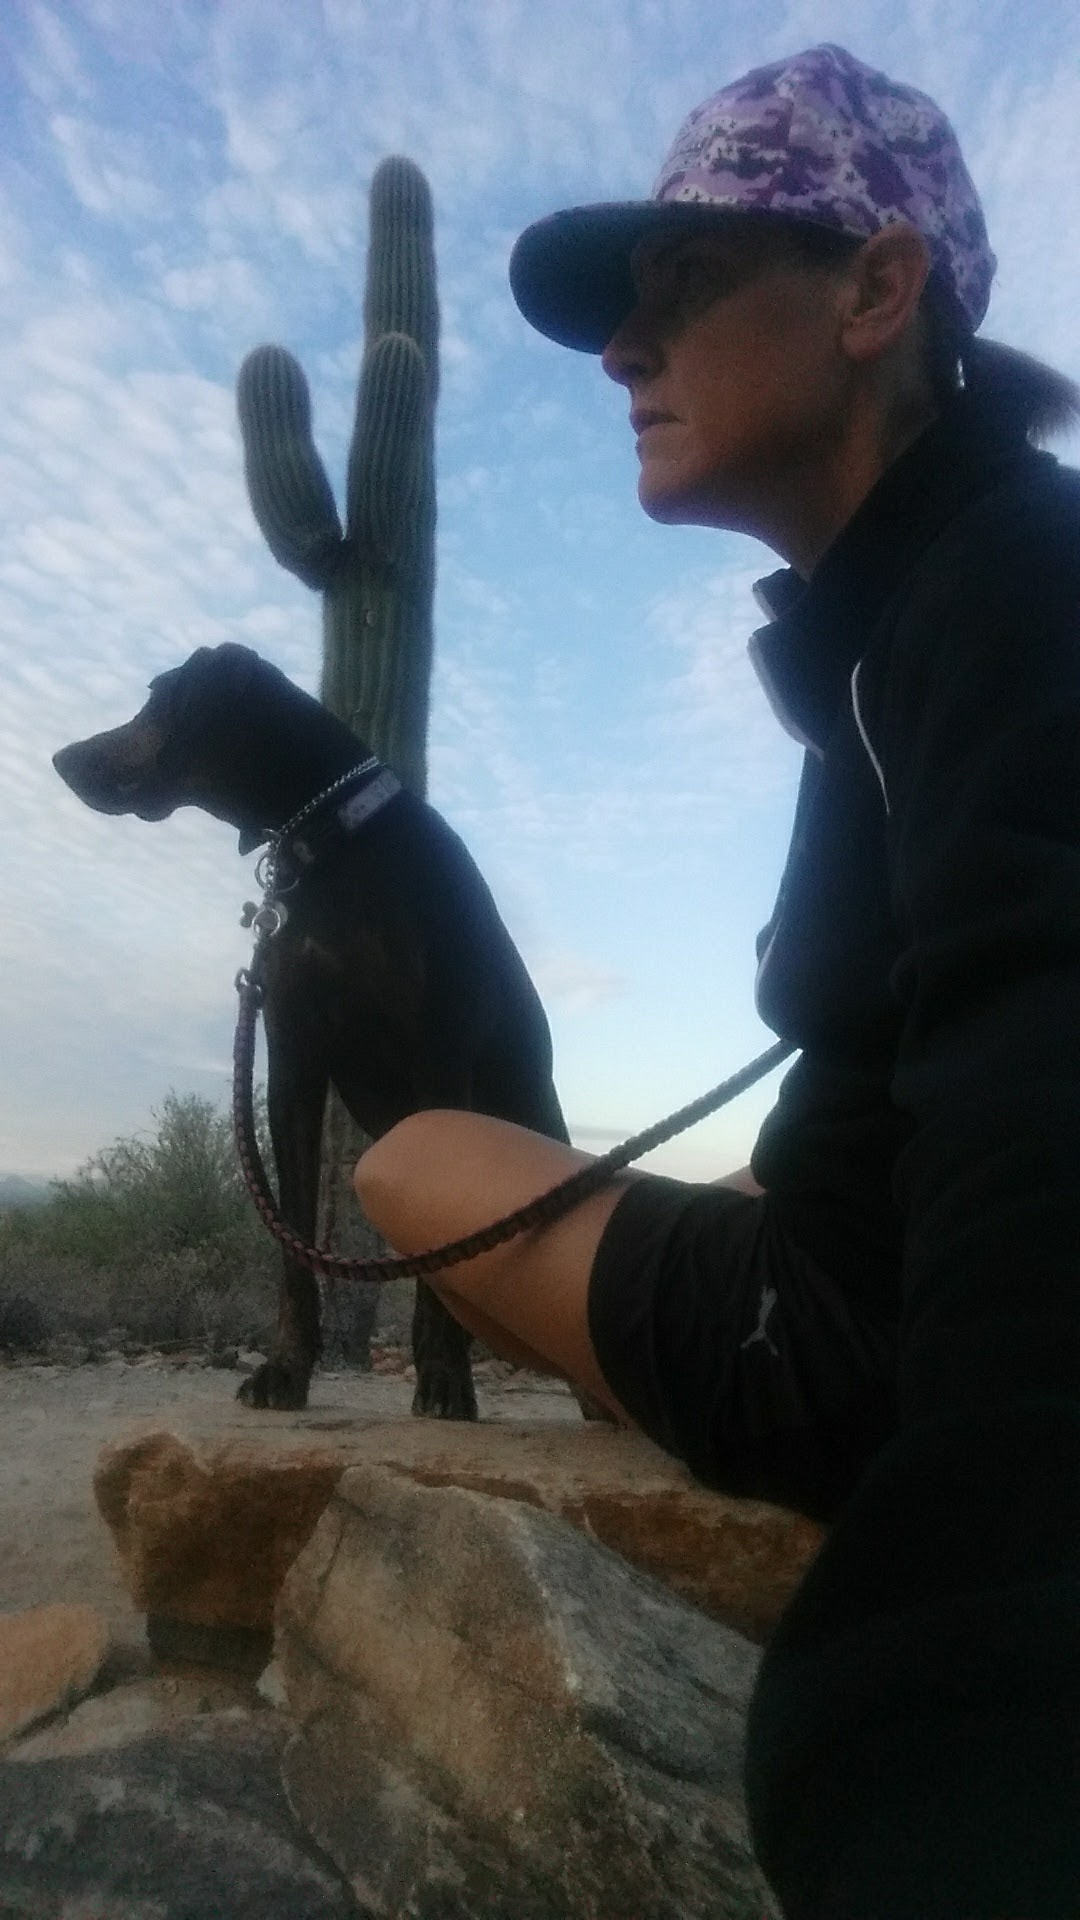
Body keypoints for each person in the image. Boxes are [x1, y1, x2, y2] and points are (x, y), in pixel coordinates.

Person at [356, 43, 1080, 1918]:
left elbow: (1048, 1090)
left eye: (678, 290)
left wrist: (962, 1671)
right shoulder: (940, 593)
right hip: (859, 1239)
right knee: (703, 1176)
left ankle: (671, 1375)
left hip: (853, 1340)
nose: (621, 350)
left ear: (875, 289)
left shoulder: (1005, 588)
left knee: (414, 1162)